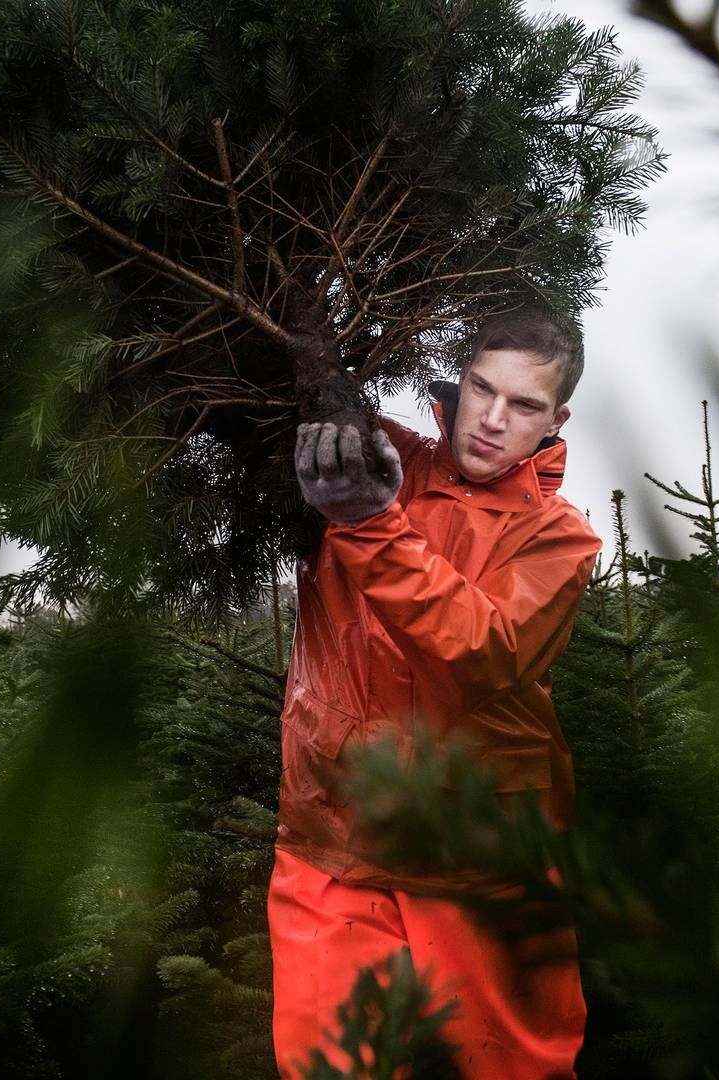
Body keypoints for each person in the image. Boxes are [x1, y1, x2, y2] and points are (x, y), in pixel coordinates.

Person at [270, 308, 603, 1079]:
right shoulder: (380, 459)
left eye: (523, 405)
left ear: (557, 418)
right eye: (482, 388)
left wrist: (368, 525)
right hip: (333, 842)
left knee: (507, 1069)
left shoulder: (559, 537)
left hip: (479, 863)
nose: (491, 419)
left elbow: (486, 649)